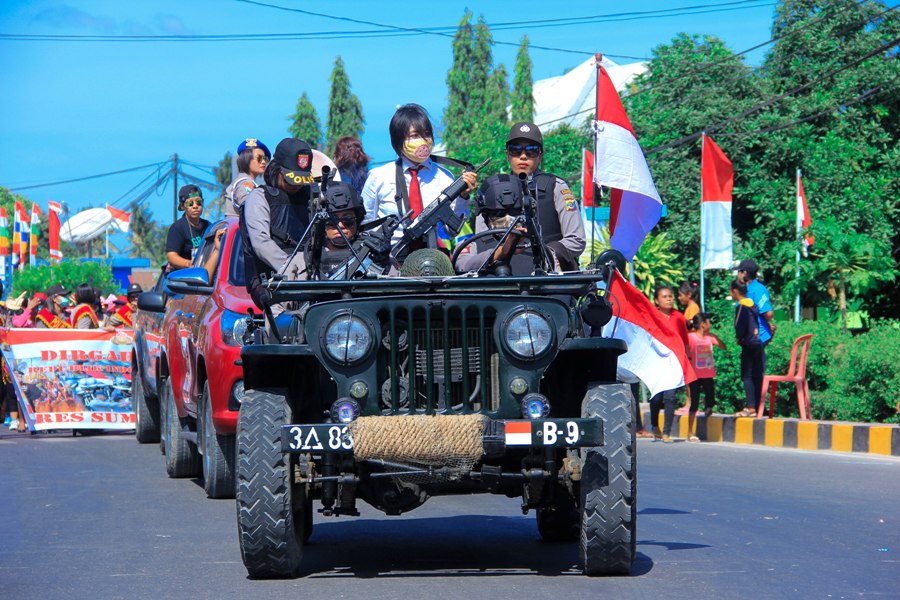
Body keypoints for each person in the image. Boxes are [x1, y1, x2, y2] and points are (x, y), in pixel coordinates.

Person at [361, 103, 477, 245]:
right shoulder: (378, 177)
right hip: (390, 259)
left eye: (427, 134)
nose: (422, 141)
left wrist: (463, 196)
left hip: (432, 257)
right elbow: (365, 225)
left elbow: (452, 231)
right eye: (414, 135)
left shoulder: (445, 177)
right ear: (398, 140)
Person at [241, 137, 316, 310]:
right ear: (277, 170)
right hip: (274, 284)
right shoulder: (259, 197)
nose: (297, 186)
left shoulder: (312, 197)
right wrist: (293, 269)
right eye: (292, 179)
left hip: (313, 282)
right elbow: (261, 243)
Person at [503, 122, 586, 271]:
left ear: (540, 155)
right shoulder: (492, 190)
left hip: (550, 278)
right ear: (508, 154)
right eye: (515, 150)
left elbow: (576, 239)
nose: (523, 156)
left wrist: (548, 255)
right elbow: (483, 242)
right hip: (504, 278)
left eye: (531, 150)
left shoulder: (556, 186)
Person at [455, 173, 559, 275]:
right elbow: (462, 266)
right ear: (485, 215)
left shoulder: (538, 247)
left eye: (514, 212)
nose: (508, 218)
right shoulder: (472, 245)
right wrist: (501, 252)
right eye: (499, 213)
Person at [648, 285, 690, 442]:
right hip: (656, 362)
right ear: (657, 300)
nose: (669, 299)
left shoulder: (679, 317)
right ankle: (655, 425)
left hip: (674, 362)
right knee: (657, 398)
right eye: (664, 297)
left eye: (670, 296)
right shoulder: (653, 316)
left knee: (670, 397)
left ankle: (667, 432)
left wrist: (688, 358)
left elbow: (685, 339)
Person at [686, 313, 726, 441]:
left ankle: (708, 406)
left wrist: (716, 337)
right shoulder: (691, 337)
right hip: (695, 375)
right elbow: (684, 349)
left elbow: (723, 347)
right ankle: (690, 432)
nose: (710, 324)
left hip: (708, 374)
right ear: (703, 324)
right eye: (708, 322)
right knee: (694, 402)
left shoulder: (710, 338)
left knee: (711, 398)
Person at [737, 258, 776, 378]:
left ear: (744, 273)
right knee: (751, 376)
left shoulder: (754, 290)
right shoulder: (755, 288)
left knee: (751, 377)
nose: (737, 275)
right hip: (753, 337)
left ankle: (755, 397)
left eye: (739, 271)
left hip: (756, 338)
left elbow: (768, 314)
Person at [731, 280, 764, 417]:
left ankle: (750, 407)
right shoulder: (753, 305)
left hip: (748, 344)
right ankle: (758, 406)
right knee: (757, 375)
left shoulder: (741, 307)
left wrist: (739, 338)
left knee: (747, 376)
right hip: (757, 343)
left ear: (735, 292)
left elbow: (739, 326)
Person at [166, 185, 211, 271]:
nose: (195, 206)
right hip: (183, 278)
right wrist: (190, 264)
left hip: (205, 274)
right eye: (190, 203)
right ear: (183, 206)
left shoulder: (209, 226)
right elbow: (171, 256)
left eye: (198, 202)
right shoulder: (177, 228)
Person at [225, 138, 271, 218]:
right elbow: (251, 208)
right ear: (246, 159)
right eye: (259, 158)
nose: (263, 162)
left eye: (265, 159)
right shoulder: (245, 183)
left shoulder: (248, 182)